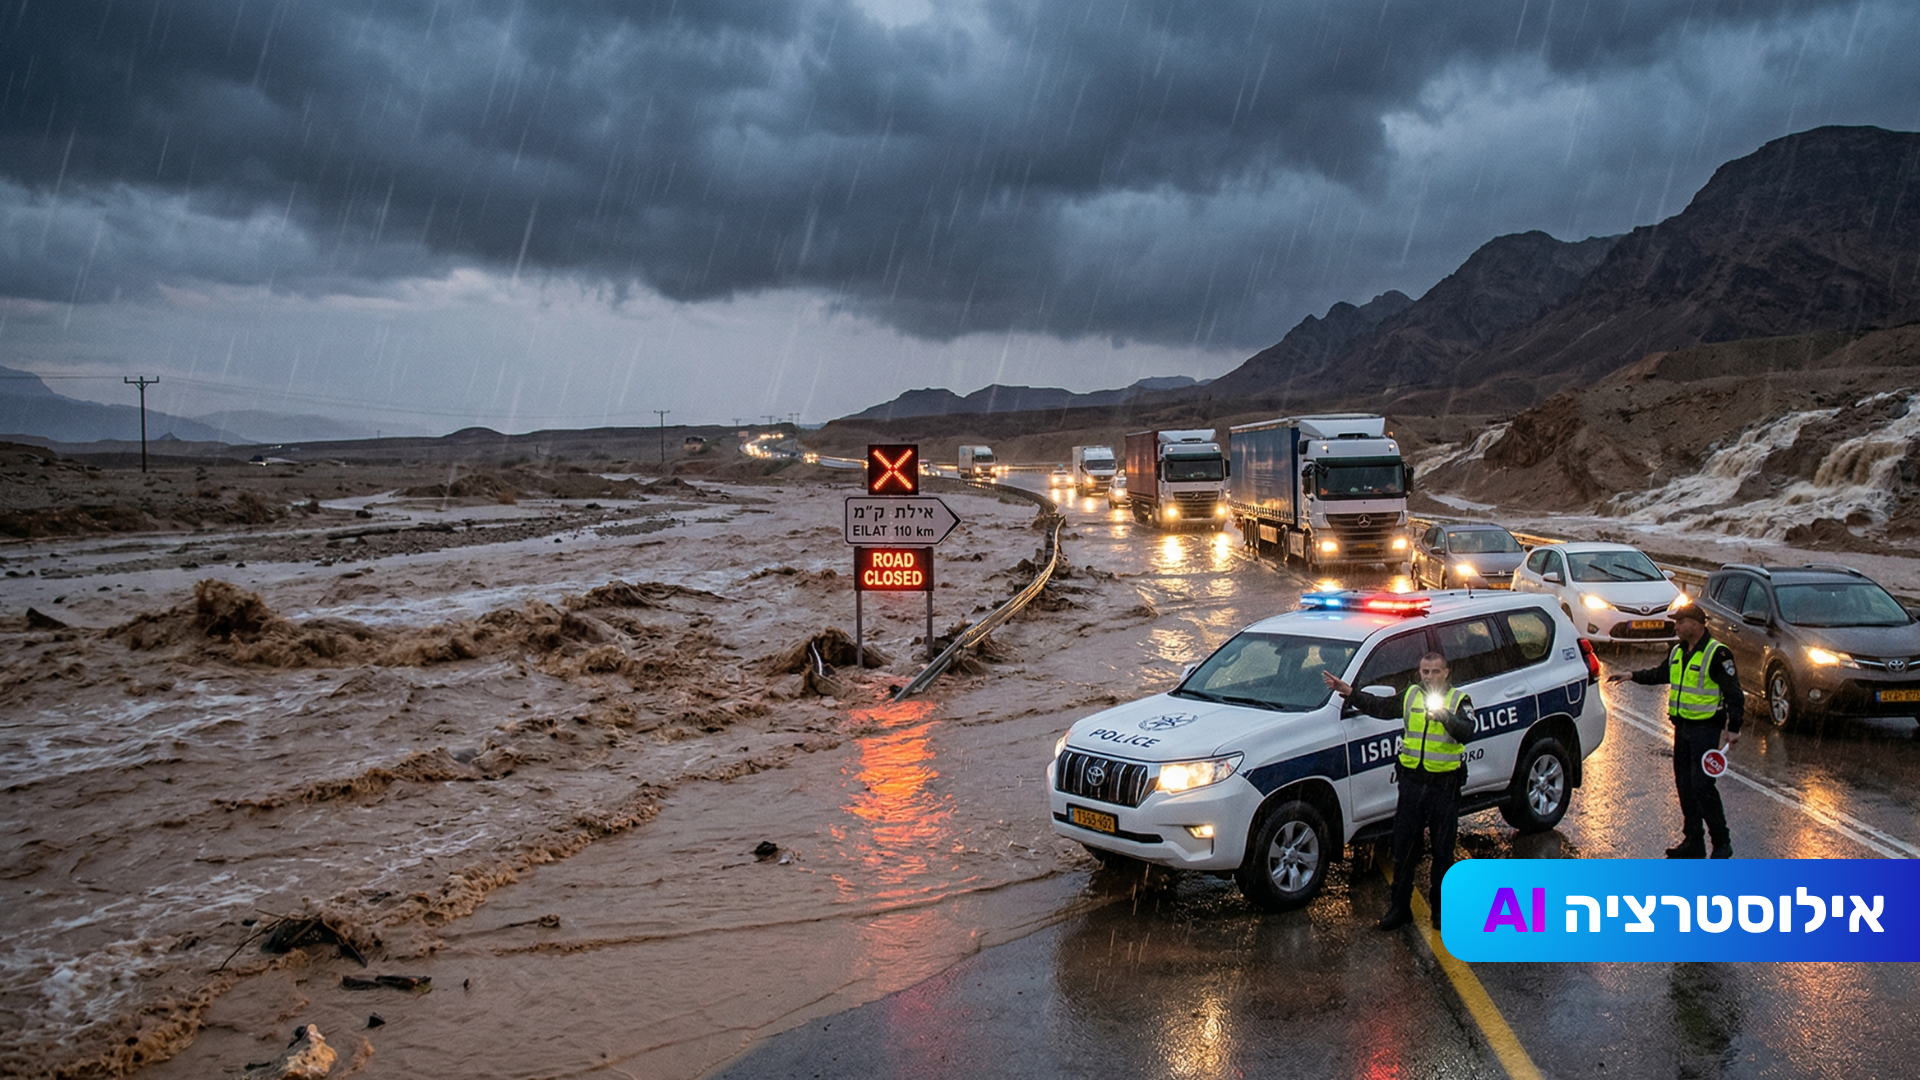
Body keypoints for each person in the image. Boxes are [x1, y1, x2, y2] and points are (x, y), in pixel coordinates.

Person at [1323, 653, 1475, 930]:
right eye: (1424, 671)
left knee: (1443, 852)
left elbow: (1467, 731)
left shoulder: (1458, 700)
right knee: (1404, 850)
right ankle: (1400, 908)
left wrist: (1445, 717)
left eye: (1435, 672)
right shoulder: (1411, 695)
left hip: (1444, 786)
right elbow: (1380, 706)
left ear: (1446, 672)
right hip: (1413, 783)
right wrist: (1349, 693)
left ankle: (1440, 912)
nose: (1429, 677)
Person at [1607, 602, 1742, 859]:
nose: (1676, 626)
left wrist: (1733, 728)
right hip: (1682, 728)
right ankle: (1693, 841)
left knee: (1703, 786)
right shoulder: (1678, 651)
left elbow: (1734, 693)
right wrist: (1632, 675)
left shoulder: (1717, 653)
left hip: (1705, 728)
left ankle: (1722, 844)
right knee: (1685, 785)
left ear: (1696, 623)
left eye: (1680, 622)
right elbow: (1661, 674)